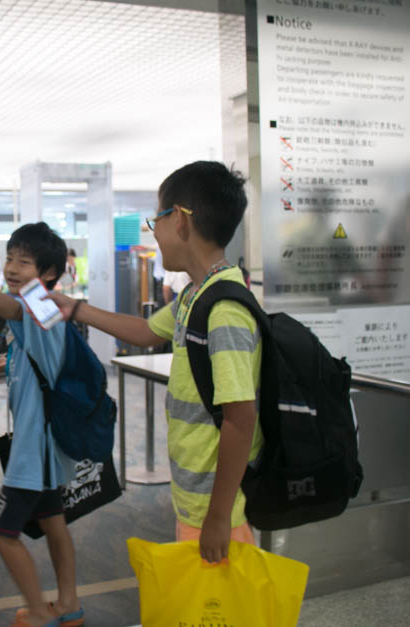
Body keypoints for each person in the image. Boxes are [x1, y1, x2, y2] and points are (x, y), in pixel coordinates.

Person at [50, 161, 262, 564]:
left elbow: (240, 417)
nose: (154, 231)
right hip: (195, 498)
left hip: (217, 510)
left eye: (157, 219)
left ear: (180, 221)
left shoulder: (224, 311)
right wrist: (76, 309)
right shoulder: (195, 296)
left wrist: (218, 517)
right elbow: (147, 332)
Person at [0, 222, 84, 627]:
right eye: (10, 258)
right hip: (46, 444)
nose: (13, 267)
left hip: (33, 449)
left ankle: (39, 612)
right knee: (54, 523)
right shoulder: (44, 308)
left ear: (49, 273)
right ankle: (69, 604)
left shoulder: (38, 302)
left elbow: (10, 308)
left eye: (25, 261)